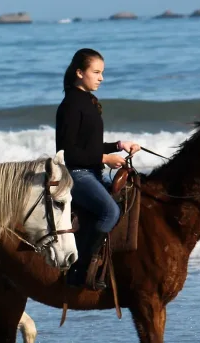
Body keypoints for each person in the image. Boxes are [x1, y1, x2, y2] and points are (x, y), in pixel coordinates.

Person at [55, 48, 141, 288]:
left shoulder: (87, 102)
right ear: (80, 72)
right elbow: (67, 152)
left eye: (102, 72)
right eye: (96, 72)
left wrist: (119, 145)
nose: (101, 77)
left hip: (90, 171)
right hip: (75, 175)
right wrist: (104, 158)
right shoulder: (71, 104)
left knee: (129, 197)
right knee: (110, 212)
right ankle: (79, 271)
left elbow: (89, 145)